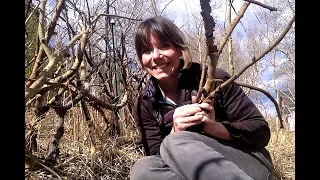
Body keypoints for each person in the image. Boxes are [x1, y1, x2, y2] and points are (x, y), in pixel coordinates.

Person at [130, 16, 275, 180]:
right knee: (142, 169)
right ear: (141, 60)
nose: (155, 56)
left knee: (174, 143)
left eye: (164, 46)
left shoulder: (213, 79)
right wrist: (175, 131)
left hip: (246, 162)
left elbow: (261, 133)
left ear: (179, 50)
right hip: (191, 171)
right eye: (147, 51)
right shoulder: (145, 104)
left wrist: (213, 127)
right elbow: (155, 155)